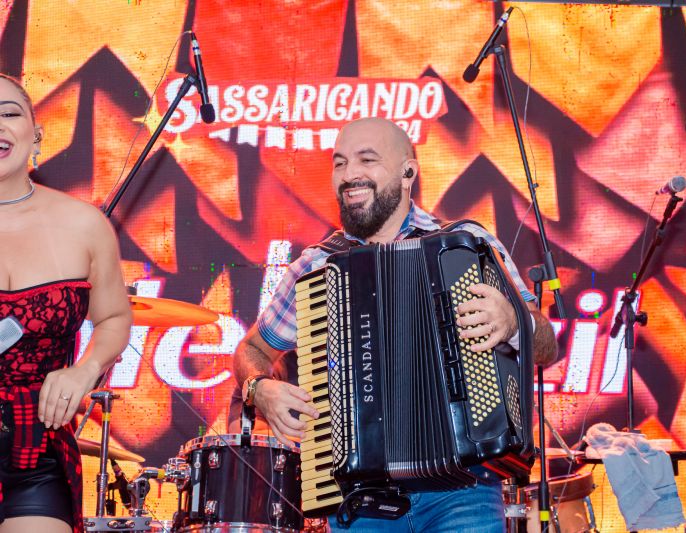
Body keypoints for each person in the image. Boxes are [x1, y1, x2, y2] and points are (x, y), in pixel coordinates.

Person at [232, 117, 558, 532]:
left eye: (367, 160)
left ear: (408, 173)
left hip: (464, 489)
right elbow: (251, 349)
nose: (349, 174)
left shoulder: (468, 244)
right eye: (339, 163)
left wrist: (514, 321)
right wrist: (259, 388)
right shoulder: (316, 266)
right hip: (360, 497)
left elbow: (546, 346)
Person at [0, 73, 132, 533]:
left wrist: (85, 369)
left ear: (36, 135)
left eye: (9, 113)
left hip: (36, 452)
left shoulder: (83, 224)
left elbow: (114, 317)